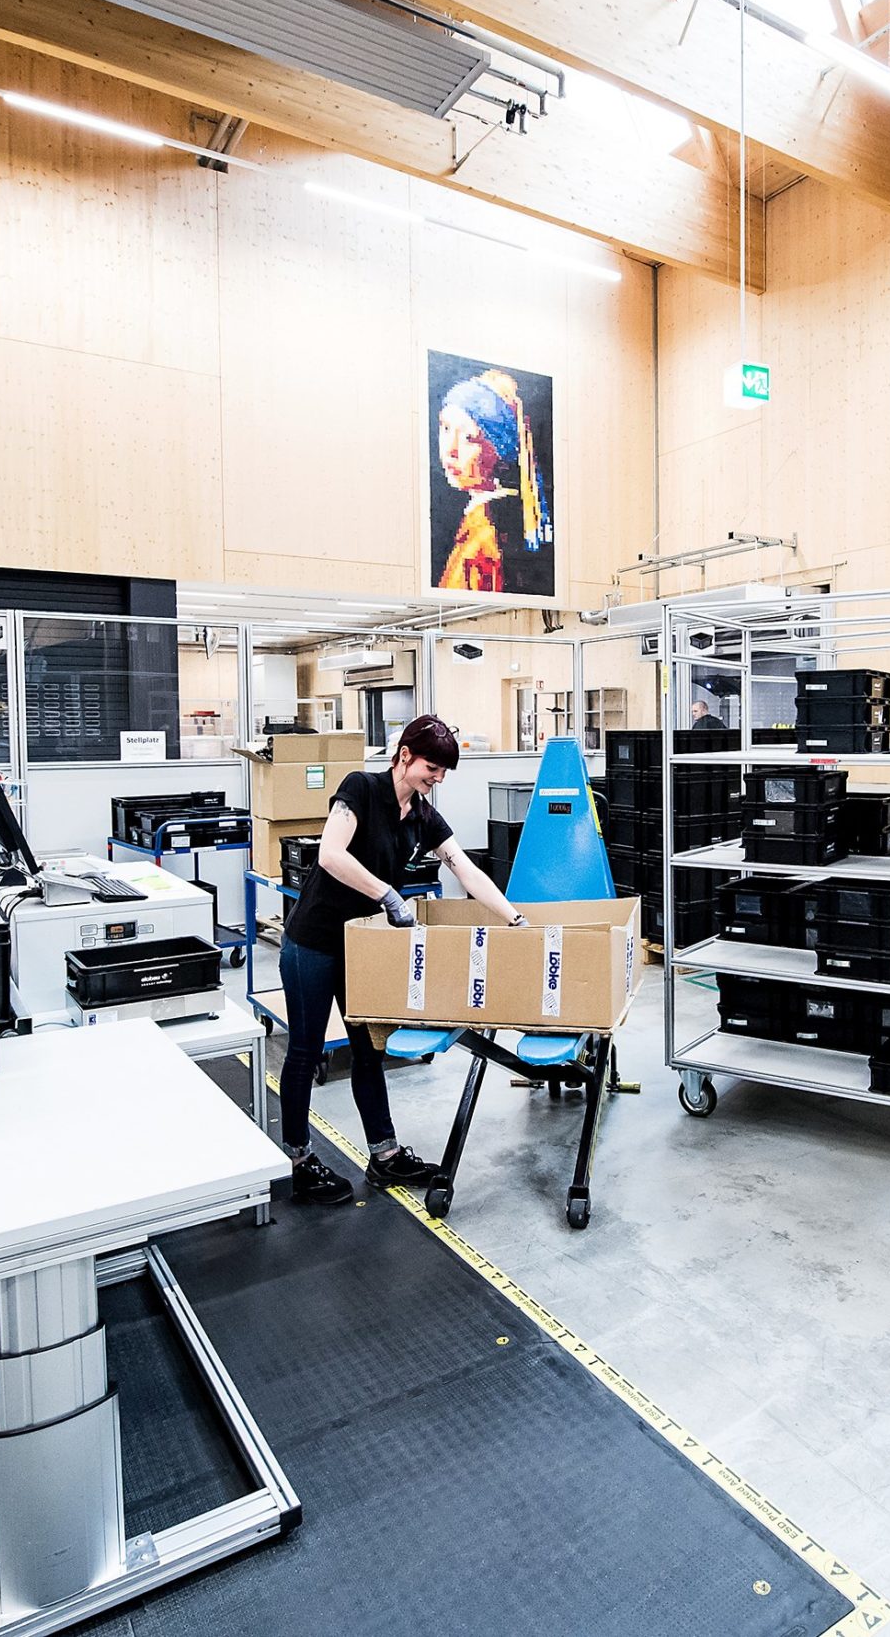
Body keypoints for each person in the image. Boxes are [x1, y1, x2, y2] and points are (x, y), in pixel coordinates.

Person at [278, 715, 531, 1205]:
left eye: (443, 772)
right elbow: (330, 854)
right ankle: (300, 1159)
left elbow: (464, 867)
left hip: (362, 949)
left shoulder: (421, 815)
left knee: (368, 1048)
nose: (437, 779)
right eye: (431, 768)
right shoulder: (361, 789)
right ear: (404, 756)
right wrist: (387, 893)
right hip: (313, 940)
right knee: (305, 1051)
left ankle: (385, 1155)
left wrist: (514, 919)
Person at [434, 369, 549, 594]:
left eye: (470, 438)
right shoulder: (482, 521)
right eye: (446, 428)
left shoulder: (486, 535)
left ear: (498, 450)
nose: (451, 449)